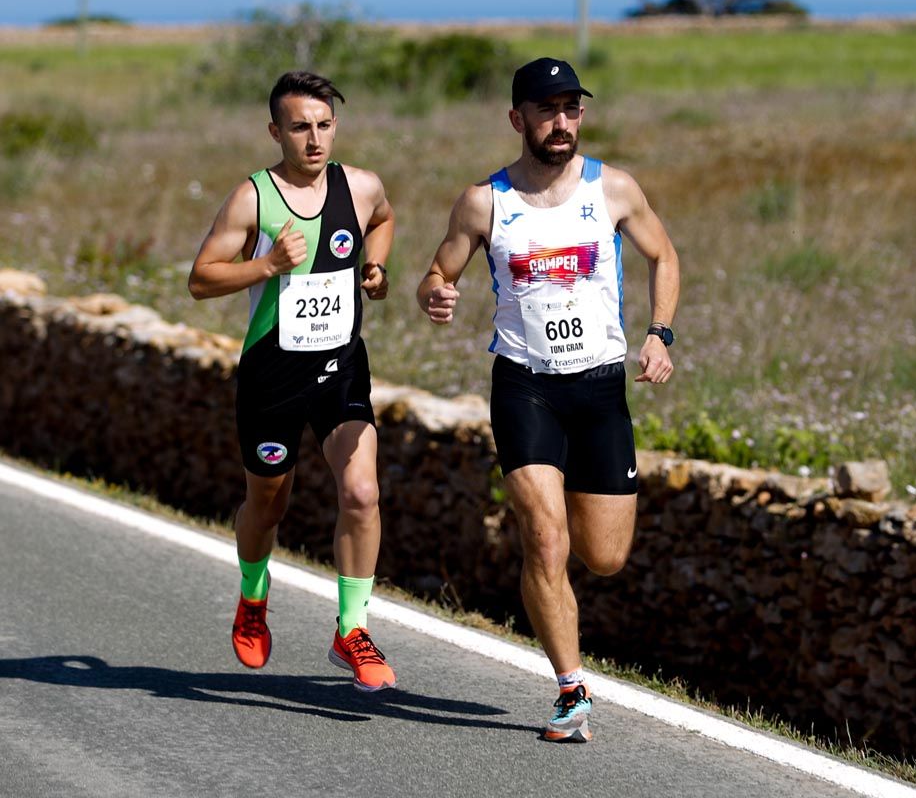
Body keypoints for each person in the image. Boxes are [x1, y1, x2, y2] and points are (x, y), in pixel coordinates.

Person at [416, 57, 680, 742]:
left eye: (570, 108)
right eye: (545, 109)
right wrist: (435, 293)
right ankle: (570, 689)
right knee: (544, 536)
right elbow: (439, 270)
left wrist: (659, 334)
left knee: (605, 556)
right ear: (518, 119)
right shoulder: (485, 201)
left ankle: (555, 588)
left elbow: (665, 257)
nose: (560, 122)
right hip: (525, 385)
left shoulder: (614, 189)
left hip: (599, 388)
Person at [189, 71, 397, 692]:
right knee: (267, 502)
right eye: (301, 127)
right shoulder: (253, 198)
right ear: (275, 131)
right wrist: (267, 264)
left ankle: (351, 629)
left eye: (325, 125)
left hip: (340, 365)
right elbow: (201, 279)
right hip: (272, 372)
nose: (315, 139)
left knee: (361, 494)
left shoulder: (360, 187)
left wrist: (377, 265)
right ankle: (254, 596)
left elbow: (383, 219)